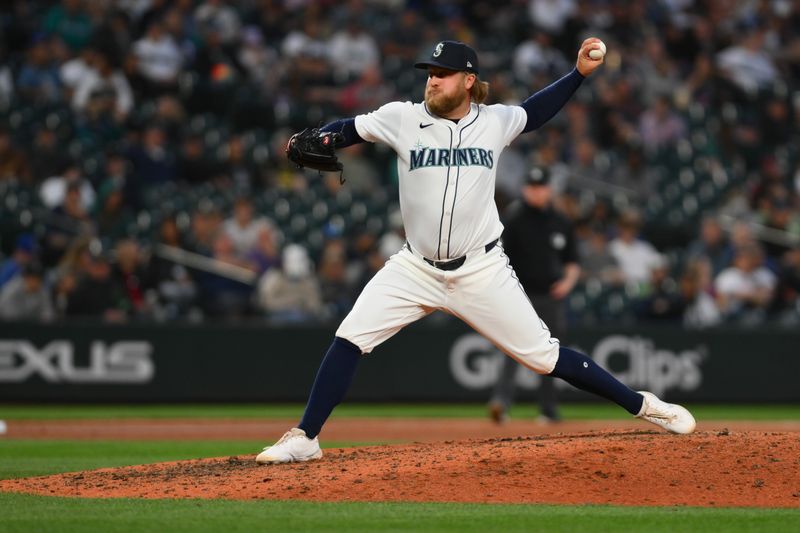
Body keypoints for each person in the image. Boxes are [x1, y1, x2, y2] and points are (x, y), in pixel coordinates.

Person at [256, 39, 696, 465]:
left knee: (544, 357)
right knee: (350, 337)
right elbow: (348, 129)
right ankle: (305, 437)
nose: (432, 81)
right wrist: (324, 139)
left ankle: (644, 405)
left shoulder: (495, 121)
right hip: (415, 267)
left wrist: (578, 74)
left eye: (442, 74)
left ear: (469, 80)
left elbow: (536, 111)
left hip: (480, 269)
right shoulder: (401, 118)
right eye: (429, 74)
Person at [487, 167, 580, 424]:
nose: (536, 192)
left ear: (549, 189)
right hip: (520, 295)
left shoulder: (561, 221)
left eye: (541, 187)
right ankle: (501, 403)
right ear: (525, 189)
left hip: (552, 295)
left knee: (552, 353)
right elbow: (499, 257)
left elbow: (572, 261)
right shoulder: (514, 219)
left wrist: (567, 283)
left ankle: (548, 408)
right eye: (532, 187)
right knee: (512, 350)